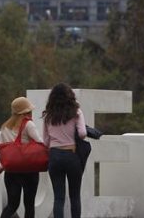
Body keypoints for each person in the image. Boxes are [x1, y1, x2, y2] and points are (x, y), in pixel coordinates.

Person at [42, 83, 86, 218]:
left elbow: (45, 142)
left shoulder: (48, 115)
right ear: (70, 96)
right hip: (71, 155)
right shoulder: (76, 112)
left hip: (54, 156)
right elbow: (83, 133)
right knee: (74, 196)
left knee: (58, 197)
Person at [0, 96, 42, 218]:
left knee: (12, 205)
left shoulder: (5, 127)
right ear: (27, 112)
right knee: (29, 205)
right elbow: (40, 142)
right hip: (29, 170)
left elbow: (2, 148)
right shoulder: (28, 124)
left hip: (11, 171)